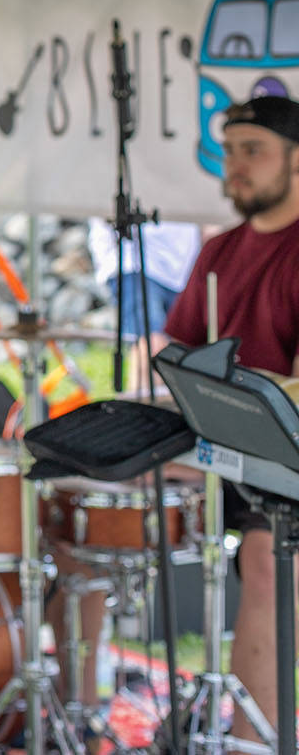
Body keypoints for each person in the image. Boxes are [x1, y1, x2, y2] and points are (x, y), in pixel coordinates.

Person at [163, 95, 299, 744]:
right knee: (83, 495)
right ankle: (74, 703)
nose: (236, 166)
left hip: (286, 456)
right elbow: (176, 348)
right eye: (230, 151)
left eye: (254, 151)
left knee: (266, 558)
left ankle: (252, 740)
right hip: (216, 444)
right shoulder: (219, 250)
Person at [86, 217, 202, 392]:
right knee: (150, 346)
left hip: (183, 266)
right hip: (135, 259)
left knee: (180, 352)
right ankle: (144, 405)